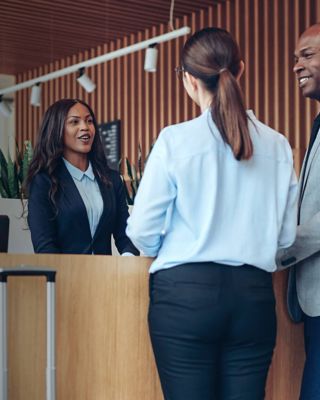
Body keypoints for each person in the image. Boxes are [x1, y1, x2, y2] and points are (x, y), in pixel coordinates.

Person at [126, 27, 298, 400]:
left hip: (184, 297)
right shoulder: (278, 144)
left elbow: (141, 231)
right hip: (253, 299)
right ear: (241, 69)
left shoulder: (175, 140)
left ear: (188, 79)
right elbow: (285, 240)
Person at [25, 98, 138, 256]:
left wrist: (127, 261)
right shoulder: (43, 181)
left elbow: (126, 235)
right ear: (57, 129)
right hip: (64, 277)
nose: (85, 127)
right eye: (74, 122)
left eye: (89, 121)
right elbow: (45, 245)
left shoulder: (111, 180)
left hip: (108, 277)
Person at [277, 23, 320, 400]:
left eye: (307, 55)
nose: (296, 66)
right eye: (295, 58)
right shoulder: (318, 125)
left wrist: (278, 252)